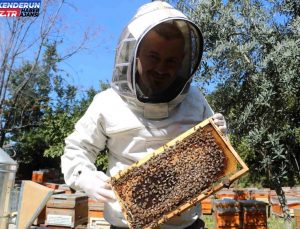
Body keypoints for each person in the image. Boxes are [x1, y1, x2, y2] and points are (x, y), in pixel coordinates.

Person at [61, 1, 227, 228]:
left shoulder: (195, 100)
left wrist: (221, 138)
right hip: (126, 224)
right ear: (134, 54)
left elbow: (215, 158)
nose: (161, 69)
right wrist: (85, 177)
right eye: (153, 57)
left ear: (182, 63)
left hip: (185, 225)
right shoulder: (107, 102)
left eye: (171, 61)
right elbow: (77, 148)